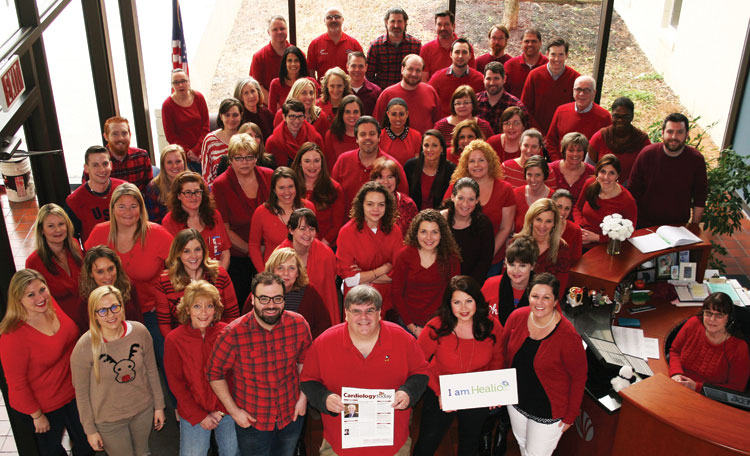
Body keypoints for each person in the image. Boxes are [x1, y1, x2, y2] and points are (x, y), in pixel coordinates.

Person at [300, 285, 429, 456]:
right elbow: (308, 380)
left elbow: (421, 373)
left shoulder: (403, 339)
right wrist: (324, 398)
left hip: (392, 445)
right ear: (346, 313)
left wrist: (408, 393)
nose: (363, 317)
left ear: (379, 313)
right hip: (340, 446)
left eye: (370, 310)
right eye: (356, 311)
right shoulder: (324, 343)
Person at [207, 272, 312, 456]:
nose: (271, 305)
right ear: (253, 300)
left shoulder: (299, 324)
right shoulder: (233, 333)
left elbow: (306, 363)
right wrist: (234, 411)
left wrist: (303, 398)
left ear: (284, 299)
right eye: (264, 299)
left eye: (277, 298)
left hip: (291, 415)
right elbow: (214, 374)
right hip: (253, 421)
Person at [0, 270, 93, 456]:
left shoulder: (51, 306)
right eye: (30, 295)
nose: (40, 298)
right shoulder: (12, 336)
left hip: (73, 393)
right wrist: (37, 416)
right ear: (18, 299)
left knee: (87, 444)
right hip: (44, 408)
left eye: (42, 290)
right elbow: (17, 385)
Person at [413, 275, 504, 456]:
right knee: (427, 443)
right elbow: (419, 363)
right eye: (457, 302)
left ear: (477, 301)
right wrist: (438, 392)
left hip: (477, 392)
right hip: (441, 389)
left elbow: (497, 359)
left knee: (469, 445)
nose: (463, 308)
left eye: (469, 301)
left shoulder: (492, 326)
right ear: (449, 304)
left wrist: (495, 391)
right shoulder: (436, 326)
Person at [70, 285, 165, 456]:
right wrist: (90, 430)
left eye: (114, 307)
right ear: (94, 315)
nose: (111, 314)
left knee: (143, 452)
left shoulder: (140, 332)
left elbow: (152, 371)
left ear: (122, 306)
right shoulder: (84, 347)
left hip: (142, 410)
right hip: (108, 421)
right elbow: (82, 394)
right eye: (103, 311)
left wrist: (159, 406)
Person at [84, 183, 174, 363]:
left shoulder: (157, 234)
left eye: (133, 206)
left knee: (165, 359)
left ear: (141, 209)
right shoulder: (99, 233)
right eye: (122, 206)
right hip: (110, 312)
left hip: (150, 311)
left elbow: (179, 269)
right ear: (112, 208)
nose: (128, 212)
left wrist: (164, 299)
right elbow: (88, 272)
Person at [500, 273, 587, 456]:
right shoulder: (517, 317)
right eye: (535, 296)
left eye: (546, 297)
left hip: (548, 411)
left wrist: (571, 415)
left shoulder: (568, 336)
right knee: (522, 444)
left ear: (556, 301)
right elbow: (501, 352)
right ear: (528, 296)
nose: (539, 302)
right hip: (516, 402)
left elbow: (579, 377)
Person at [164, 281, 240, 456]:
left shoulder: (227, 333)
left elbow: (235, 377)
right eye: (197, 306)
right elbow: (176, 384)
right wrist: (200, 416)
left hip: (227, 408)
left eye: (209, 306)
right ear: (187, 309)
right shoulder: (174, 340)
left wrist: (221, 410)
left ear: (216, 309)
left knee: (232, 451)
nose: (204, 312)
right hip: (193, 411)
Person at [211, 133, 274, 306]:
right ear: (230, 159)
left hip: (271, 253)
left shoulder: (269, 176)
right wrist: (251, 249)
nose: (244, 162)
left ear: (256, 158)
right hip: (239, 257)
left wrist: (266, 249)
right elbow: (224, 228)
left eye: (249, 157)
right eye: (239, 158)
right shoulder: (221, 185)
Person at [155, 228, 239, 338]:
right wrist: (178, 345)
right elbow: (164, 324)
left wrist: (224, 341)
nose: (193, 256)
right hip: (183, 341)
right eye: (186, 251)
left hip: (218, 338)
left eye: (197, 249)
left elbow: (232, 315)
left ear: (204, 250)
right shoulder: (164, 281)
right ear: (178, 253)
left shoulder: (219, 274)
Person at [446, 139, 515, 273]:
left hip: (492, 260)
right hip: (455, 260)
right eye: (472, 161)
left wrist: (487, 255)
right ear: (465, 164)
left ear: (490, 161)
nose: (476, 165)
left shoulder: (505, 189)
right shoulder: (455, 187)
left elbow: (506, 228)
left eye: (481, 160)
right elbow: (445, 222)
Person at [628, 112, 707, 228]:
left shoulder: (696, 160)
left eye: (679, 132)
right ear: (663, 133)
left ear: (687, 135)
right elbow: (632, 191)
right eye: (670, 131)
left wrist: (694, 227)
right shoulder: (647, 154)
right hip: (644, 224)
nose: (674, 137)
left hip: (678, 226)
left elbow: (700, 198)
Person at [336, 181, 402, 315]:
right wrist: (382, 270)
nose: (376, 209)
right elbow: (349, 280)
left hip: (387, 301)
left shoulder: (394, 230)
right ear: (361, 205)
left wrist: (364, 275)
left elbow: (399, 274)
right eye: (370, 204)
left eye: (381, 204)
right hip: (357, 300)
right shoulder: (347, 232)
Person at [392, 209, 461, 336]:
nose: (429, 237)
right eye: (423, 232)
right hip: (407, 324)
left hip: (440, 324)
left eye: (434, 232)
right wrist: (412, 327)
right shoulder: (404, 256)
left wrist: (444, 323)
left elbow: (453, 294)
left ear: (442, 234)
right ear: (416, 233)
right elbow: (397, 293)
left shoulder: (451, 258)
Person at [669, 292, 750, 392]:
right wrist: (676, 373)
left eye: (719, 315)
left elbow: (737, 388)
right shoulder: (693, 324)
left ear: (729, 318)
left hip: (708, 397)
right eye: (708, 313)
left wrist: (697, 387)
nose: (712, 319)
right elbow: (674, 351)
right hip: (678, 384)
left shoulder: (739, 347)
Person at [247, 248, 332, 338]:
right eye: (280, 268)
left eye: (291, 268)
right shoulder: (260, 291)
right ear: (272, 271)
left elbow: (324, 326)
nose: (286, 273)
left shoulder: (309, 292)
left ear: (298, 272)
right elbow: (246, 324)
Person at [26, 203, 85, 331]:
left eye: (61, 224)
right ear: (42, 230)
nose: (58, 230)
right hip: (60, 324)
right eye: (51, 226)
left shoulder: (74, 246)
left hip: (87, 316)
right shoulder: (33, 262)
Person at [277, 209, 340, 325]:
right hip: (288, 314)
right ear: (291, 230)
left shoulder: (326, 254)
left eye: (311, 229)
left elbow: (330, 291)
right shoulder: (279, 256)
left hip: (319, 314)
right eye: (302, 229)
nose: (308, 234)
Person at [330, 116, 409, 207]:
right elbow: (333, 197)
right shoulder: (343, 161)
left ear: (379, 137)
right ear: (356, 139)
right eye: (363, 134)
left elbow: (403, 202)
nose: (367, 138)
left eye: (372, 134)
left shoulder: (393, 165)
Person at [248, 166, 315, 273]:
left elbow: (314, 240)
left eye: (290, 186)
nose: (287, 192)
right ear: (274, 190)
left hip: (304, 271)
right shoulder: (261, 212)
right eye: (282, 188)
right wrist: (264, 273)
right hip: (273, 273)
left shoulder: (308, 207)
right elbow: (253, 246)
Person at [162, 171, 231, 268]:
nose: (194, 197)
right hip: (187, 280)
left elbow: (225, 253)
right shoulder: (169, 222)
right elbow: (172, 261)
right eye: (188, 193)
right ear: (178, 196)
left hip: (217, 277)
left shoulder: (214, 215)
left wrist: (218, 279)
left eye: (197, 192)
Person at [66, 146, 126, 243]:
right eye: (95, 165)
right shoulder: (74, 201)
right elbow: (71, 239)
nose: (102, 170)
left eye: (105, 164)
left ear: (111, 165)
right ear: (86, 168)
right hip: (96, 255)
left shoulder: (125, 190)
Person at [574, 154, 638, 244]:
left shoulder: (627, 201)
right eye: (603, 172)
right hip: (580, 238)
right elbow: (577, 208)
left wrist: (598, 238)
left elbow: (630, 232)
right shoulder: (589, 184)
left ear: (617, 175)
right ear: (597, 172)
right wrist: (579, 227)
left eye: (611, 173)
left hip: (605, 246)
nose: (606, 177)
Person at [520, 38, 579, 134]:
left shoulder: (575, 78)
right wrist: (537, 132)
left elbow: (577, 109)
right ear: (547, 54)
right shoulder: (534, 75)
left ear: (567, 55)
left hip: (564, 135)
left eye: (561, 55)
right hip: (536, 134)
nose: (557, 59)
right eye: (553, 54)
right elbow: (524, 107)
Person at [545, 75, 612, 161]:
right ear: (573, 91)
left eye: (586, 90)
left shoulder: (604, 117)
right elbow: (551, 142)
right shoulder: (561, 111)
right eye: (578, 89)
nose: (581, 94)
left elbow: (606, 148)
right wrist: (559, 164)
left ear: (594, 93)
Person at [587, 96, 650, 186]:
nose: (620, 120)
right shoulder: (600, 137)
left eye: (625, 117)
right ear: (612, 116)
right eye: (616, 116)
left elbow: (647, 171)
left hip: (631, 190)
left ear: (632, 117)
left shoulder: (641, 140)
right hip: (601, 188)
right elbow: (589, 169)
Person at [291, 143, 346, 246]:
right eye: (307, 161)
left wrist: (320, 247)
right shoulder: (291, 187)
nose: (312, 166)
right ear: (299, 163)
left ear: (322, 162)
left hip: (326, 246)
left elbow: (337, 225)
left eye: (316, 161)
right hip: (295, 247)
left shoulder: (334, 188)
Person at [441, 177, 494, 283]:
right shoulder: (440, 220)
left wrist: (467, 287)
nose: (465, 204)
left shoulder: (483, 224)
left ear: (477, 200)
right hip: (441, 281)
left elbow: (484, 262)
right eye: (461, 198)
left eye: (471, 199)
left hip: (471, 284)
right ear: (452, 197)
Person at [374, 54, 441, 135]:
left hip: (425, 145)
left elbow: (438, 122)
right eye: (410, 69)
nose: (414, 74)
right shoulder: (387, 94)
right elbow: (377, 123)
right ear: (402, 69)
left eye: (418, 70)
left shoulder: (430, 91)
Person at [515, 199, 572, 295]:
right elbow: (507, 279)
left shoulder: (562, 248)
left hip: (546, 304)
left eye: (548, 221)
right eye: (538, 219)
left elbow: (560, 289)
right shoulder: (516, 243)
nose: (542, 226)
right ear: (531, 220)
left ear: (554, 224)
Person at [83, 116, 153, 193]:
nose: (121, 138)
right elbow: (86, 193)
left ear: (130, 135)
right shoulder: (95, 161)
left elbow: (150, 190)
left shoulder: (141, 156)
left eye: (124, 133)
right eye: (115, 134)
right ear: (106, 137)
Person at [79, 245, 143, 325]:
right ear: (91, 274)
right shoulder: (85, 300)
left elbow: (139, 320)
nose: (108, 276)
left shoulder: (128, 287)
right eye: (100, 272)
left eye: (111, 269)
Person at [481, 236, 538, 324]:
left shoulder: (543, 290)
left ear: (532, 266)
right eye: (512, 265)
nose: (516, 271)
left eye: (522, 265)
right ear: (505, 263)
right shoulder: (490, 284)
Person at [161, 68, 210, 171]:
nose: (180, 85)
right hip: (182, 156)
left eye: (183, 81)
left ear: (188, 82)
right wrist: (189, 153)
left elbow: (206, 126)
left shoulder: (199, 97)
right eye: (176, 82)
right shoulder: (167, 105)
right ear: (172, 85)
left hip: (203, 150)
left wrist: (197, 150)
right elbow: (171, 137)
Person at [366, 8, 422, 90]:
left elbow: (421, 73)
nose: (396, 25)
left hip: (409, 92)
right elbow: (368, 76)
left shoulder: (415, 45)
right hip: (383, 93)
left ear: (405, 23)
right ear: (386, 22)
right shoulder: (376, 46)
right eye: (392, 21)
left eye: (399, 21)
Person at [429, 38, 485, 117]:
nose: (460, 56)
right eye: (457, 52)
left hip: (470, 126)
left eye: (464, 52)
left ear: (470, 56)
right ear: (451, 54)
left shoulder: (480, 80)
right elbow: (429, 104)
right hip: (444, 126)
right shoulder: (437, 78)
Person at [306, 7, 363, 80]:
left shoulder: (354, 44)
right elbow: (311, 70)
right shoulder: (315, 44)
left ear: (343, 20)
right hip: (323, 89)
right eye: (329, 17)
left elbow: (361, 69)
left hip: (348, 89)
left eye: (337, 17)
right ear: (324, 21)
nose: (333, 20)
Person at [405, 129, 456, 210]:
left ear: (442, 148)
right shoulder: (410, 166)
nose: (429, 150)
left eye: (434, 145)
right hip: (413, 215)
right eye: (426, 145)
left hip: (441, 217)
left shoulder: (451, 170)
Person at [419, 10, 476, 82]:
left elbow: (472, 76)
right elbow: (423, 80)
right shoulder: (426, 49)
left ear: (453, 26)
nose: (443, 28)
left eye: (446, 24)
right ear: (435, 26)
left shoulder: (466, 48)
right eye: (439, 24)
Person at [267, 99, 325, 167]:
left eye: (300, 116)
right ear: (284, 117)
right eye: (292, 116)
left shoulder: (315, 138)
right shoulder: (273, 142)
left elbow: (322, 166)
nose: (297, 121)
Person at [371, 157, 418, 236]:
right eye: (381, 177)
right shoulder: (367, 204)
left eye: (390, 177)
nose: (386, 182)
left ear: (396, 179)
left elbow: (415, 234)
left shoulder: (408, 204)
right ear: (374, 180)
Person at [477, 62, 528, 135]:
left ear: (504, 79)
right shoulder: (475, 102)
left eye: (496, 78)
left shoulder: (516, 106)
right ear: (483, 79)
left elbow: (524, 135)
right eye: (488, 78)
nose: (492, 83)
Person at [201, 97, 243, 185]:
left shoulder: (246, 138)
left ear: (241, 115)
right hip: (218, 190)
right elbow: (207, 176)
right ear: (221, 116)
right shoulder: (210, 140)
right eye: (227, 115)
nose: (231, 119)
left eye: (235, 115)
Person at [249, 16, 291, 99]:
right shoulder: (259, 57)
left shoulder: (298, 54)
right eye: (275, 29)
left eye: (282, 29)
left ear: (287, 30)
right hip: (270, 108)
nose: (279, 32)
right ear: (268, 32)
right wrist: (275, 105)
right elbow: (256, 86)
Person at [143, 144, 186, 223]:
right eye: (169, 162)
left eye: (178, 161)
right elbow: (154, 223)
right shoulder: (153, 188)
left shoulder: (197, 183)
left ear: (184, 162)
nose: (175, 166)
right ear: (163, 165)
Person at [267, 46, 318, 113]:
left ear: (301, 63)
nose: (293, 64)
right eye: (289, 60)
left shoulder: (311, 82)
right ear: (285, 63)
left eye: (296, 60)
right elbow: (271, 112)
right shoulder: (276, 84)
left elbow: (318, 105)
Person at [549, 132, 595, 204]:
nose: (575, 154)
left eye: (579, 150)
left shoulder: (592, 172)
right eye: (571, 150)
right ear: (564, 151)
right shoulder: (550, 169)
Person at [513, 155, 556, 232]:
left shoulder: (554, 198)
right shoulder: (515, 194)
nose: (533, 180)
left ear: (545, 175)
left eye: (537, 175)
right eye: (529, 175)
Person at [503, 28, 548, 98]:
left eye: (534, 41)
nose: (530, 44)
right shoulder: (510, 65)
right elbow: (503, 92)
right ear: (521, 43)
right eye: (527, 41)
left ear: (540, 43)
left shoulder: (548, 65)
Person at [379, 97, 423, 166]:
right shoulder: (379, 136)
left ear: (407, 114)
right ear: (388, 114)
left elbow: (417, 164)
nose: (398, 118)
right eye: (394, 114)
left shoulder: (416, 136)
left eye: (401, 114)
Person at [324, 94, 362, 168]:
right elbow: (329, 166)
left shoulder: (367, 136)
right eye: (347, 112)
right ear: (341, 114)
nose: (352, 116)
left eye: (355, 112)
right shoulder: (331, 135)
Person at [234, 77, 274, 141]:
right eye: (246, 93)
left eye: (253, 91)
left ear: (258, 92)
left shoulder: (267, 113)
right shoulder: (239, 118)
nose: (251, 96)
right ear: (241, 97)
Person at [551, 189, 583, 264]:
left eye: (567, 208)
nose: (563, 212)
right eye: (559, 207)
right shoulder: (542, 226)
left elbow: (575, 259)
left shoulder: (575, 230)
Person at [346, 51, 381, 116]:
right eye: (353, 66)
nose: (357, 70)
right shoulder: (341, 90)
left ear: (366, 67)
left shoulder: (376, 92)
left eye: (361, 66)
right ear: (347, 67)